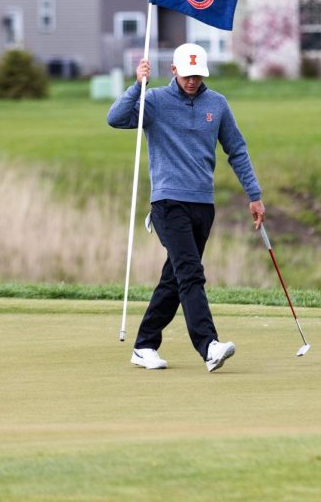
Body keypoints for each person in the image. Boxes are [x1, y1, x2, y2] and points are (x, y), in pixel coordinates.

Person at [107, 42, 264, 373]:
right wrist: (137, 85)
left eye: (198, 75)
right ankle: (209, 346)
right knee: (191, 273)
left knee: (176, 277)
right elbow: (116, 119)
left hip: (202, 205)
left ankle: (144, 344)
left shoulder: (217, 104)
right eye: (187, 75)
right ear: (174, 71)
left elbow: (236, 149)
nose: (192, 81)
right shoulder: (155, 100)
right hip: (167, 202)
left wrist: (254, 194)